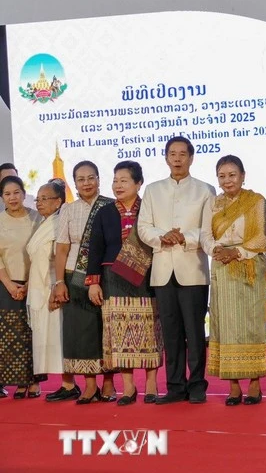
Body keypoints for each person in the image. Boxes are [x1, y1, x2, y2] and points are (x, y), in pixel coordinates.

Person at [138, 137, 215, 404]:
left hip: (193, 268)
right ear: (166, 157)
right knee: (170, 332)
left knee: (194, 331)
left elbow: (209, 230)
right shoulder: (152, 190)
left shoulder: (205, 189)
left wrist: (185, 237)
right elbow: (143, 227)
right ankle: (174, 386)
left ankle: (196, 385)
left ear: (191, 158)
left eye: (183, 154)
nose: (178, 158)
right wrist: (163, 236)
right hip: (162, 270)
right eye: (173, 154)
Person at [86, 161, 163, 405]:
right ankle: (128, 388)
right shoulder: (104, 212)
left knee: (150, 332)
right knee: (120, 335)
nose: (118, 185)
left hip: (146, 276)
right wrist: (93, 283)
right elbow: (95, 249)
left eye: (124, 180)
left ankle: (151, 385)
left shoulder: (150, 210)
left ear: (138, 183)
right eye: (115, 180)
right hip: (113, 278)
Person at [202, 155, 266, 406]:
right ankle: (233, 387)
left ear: (243, 176)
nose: (227, 180)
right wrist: (216, 250)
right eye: (222, 175)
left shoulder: (256, 201)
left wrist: (237, 252)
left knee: (250, 324)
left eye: (232, 174)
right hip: (221, 265)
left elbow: (262, 236)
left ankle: (254, 384)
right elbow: (204, 234)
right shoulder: (213, 204)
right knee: (226, 326)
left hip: (248, 265)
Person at [51, 161, 117, 404]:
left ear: (99, 179)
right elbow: (61, 248)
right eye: (81, 179)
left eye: (91, 178)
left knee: (106, 330)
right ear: (75, 182)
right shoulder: (68, 209)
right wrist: (59, 281)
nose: (86, 183)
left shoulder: (111, 206)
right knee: (82, 331)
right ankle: (90, 385)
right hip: (74, 275)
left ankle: (108, 383)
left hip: (106, 276)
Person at [0, 176, 42, 398]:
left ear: (25, 194)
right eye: (7, 194)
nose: (12, 197)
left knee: (34, 331)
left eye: (16, 192)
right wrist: (9, 284)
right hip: (6, 284)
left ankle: (34, 381)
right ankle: (19, 382)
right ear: (2, 197)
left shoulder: (37, 219)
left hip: (36, 283)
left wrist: (29, 284)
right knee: (13, 334)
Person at [26, 180, 67, 396]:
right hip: (38, 287)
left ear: (58, 201)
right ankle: (65, 385)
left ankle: (68, 384)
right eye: (37, 199)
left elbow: (59, 257)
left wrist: (56, 286)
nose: (39, 203)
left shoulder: (59, 223)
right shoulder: (43, 223)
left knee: (57, 336)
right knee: (46, 336)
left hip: (52, 287)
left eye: (45, 198)